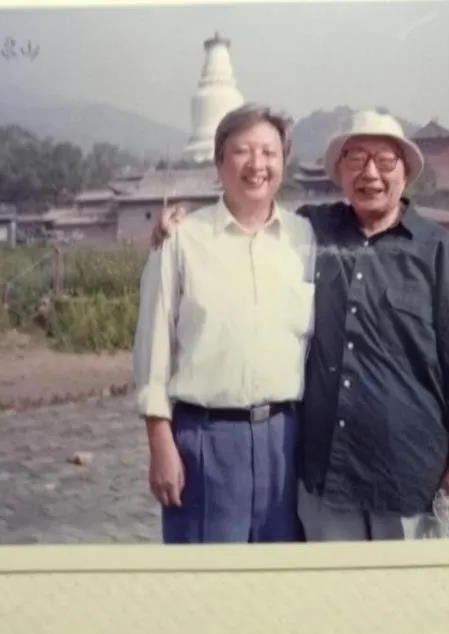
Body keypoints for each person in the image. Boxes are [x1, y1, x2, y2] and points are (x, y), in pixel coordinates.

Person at [153, 110, 449, 542]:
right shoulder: (312, 232)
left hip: (407, 474)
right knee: (326, 584)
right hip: (328, 477)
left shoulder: (437, 251)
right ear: (339, 173)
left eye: (386, 161)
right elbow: (252, 213)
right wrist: (180, 227)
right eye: (356, 160)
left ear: (405, 172)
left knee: (408, 585)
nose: (371, 174)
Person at [133, 104, 316, 544]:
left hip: (287, 439)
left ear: (284, 163)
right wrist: (160, 441)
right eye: (242, 151)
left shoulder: (305, 238)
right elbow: (153, 349)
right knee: (207, 577)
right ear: (218, 162)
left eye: (269, 153)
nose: (257, 164)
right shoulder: (180, 239)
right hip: (205, 440)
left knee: (281, 576)